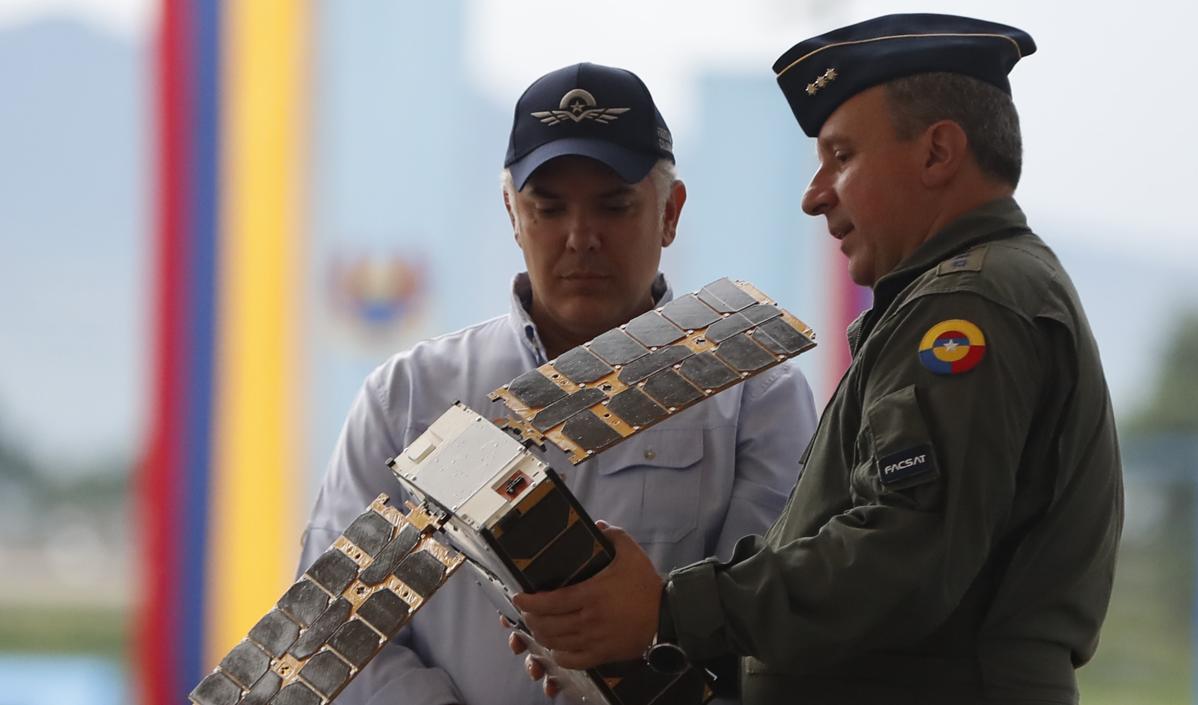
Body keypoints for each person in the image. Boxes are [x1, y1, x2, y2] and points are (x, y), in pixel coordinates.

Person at [512, 15, 1123, 705]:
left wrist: (667, 611)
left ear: (937, 153)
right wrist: (645, 652)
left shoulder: (966, 307)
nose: (814, 194)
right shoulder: (964, 294)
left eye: (840, 156)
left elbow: (902, 559)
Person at [296, 62, 817, 705]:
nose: (580, 238)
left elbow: (771, 624)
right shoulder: (406, 395)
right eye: (548, 207)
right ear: (511, 213)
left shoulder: (753, 393)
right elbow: (332, 638)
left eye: (614, 205)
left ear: (670, 213)